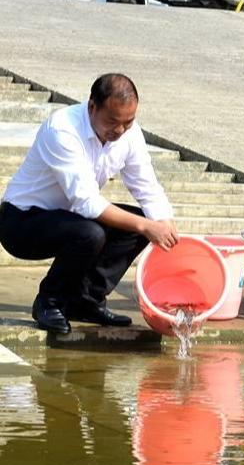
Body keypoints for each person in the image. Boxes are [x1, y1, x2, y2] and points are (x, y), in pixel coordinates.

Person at [0, 73, 178, 335]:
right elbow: (87, 203)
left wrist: (165, 225)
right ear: (92, 106)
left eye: (128, 122)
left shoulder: (130, 135)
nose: (119, 130)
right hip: (21, 223)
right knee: (94, 232)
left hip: (69, 219)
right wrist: (147, 226)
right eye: (113, 122)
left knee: (135, 225)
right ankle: (49, 303)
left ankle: (85, 301)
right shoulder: (62, 129)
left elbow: (147, 187)